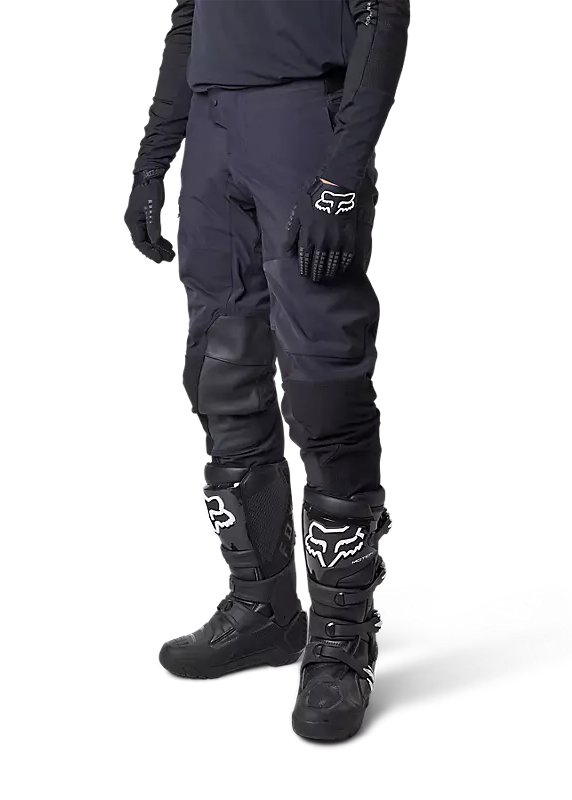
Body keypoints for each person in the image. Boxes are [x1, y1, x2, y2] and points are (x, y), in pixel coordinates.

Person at [123, 0, 411, 741]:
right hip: (210, 126)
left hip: (304, 123)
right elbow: (191, 16)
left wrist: (344, 171)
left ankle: (343, 635)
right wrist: (154, 159)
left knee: (324, 378)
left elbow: (381, 10)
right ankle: (264, 608)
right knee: (219, 371)